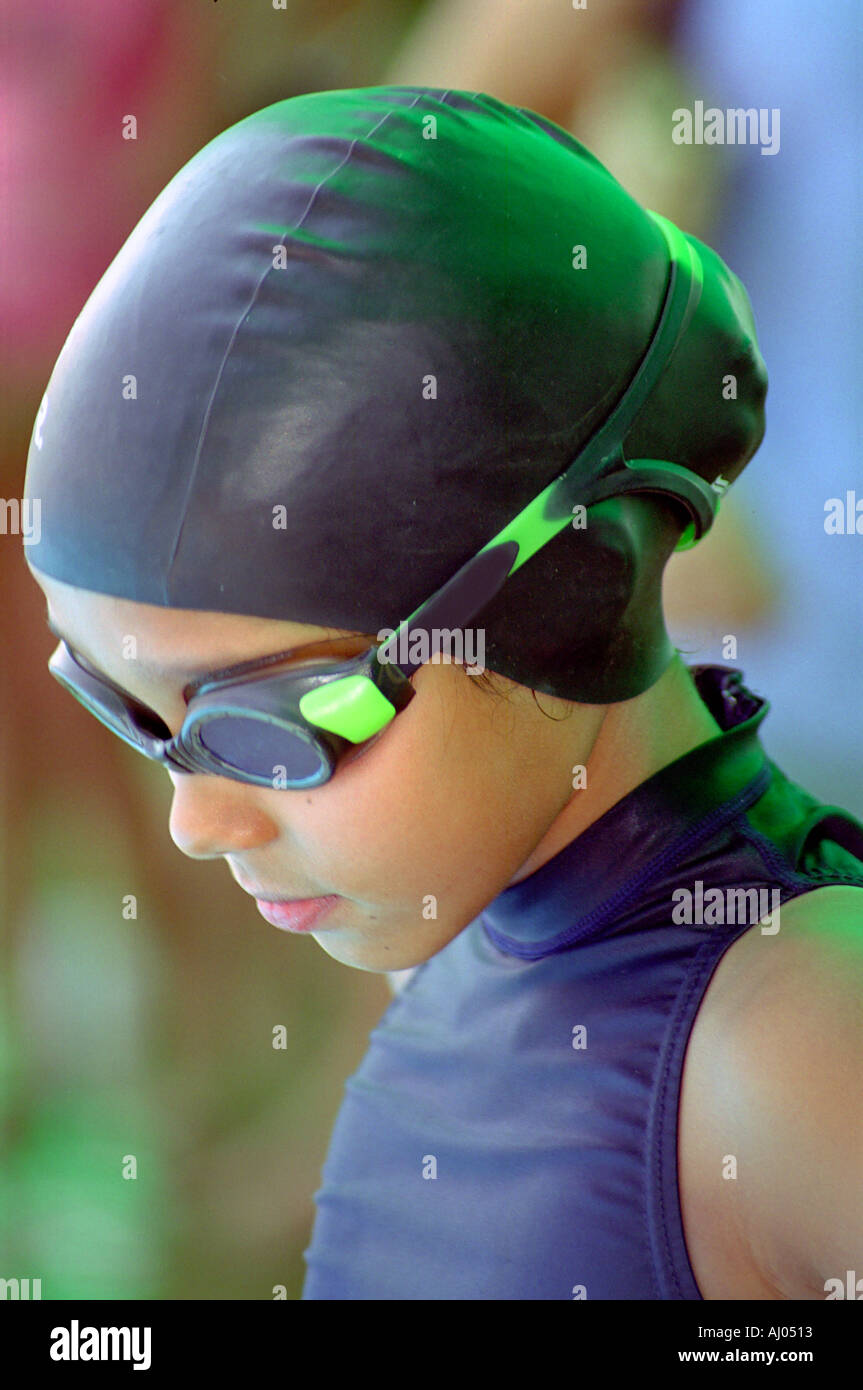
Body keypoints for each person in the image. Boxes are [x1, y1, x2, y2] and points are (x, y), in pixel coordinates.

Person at [22, 86, 863, 1300]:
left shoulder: (791, 1035)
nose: (192, 822)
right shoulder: (463, 926)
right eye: (126, 711)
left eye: (273, 727)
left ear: (568, 594)